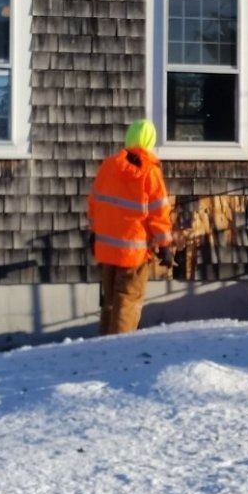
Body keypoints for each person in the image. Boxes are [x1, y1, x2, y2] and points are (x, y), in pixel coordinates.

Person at [86, 119, 174, 335]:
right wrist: (165, 245)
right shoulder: (149, 172)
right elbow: (159, 211)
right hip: (134, 252)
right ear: (150, 141)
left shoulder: (108, 166)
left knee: (110, 301)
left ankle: (103, 344)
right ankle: (120, 349)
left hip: (106, 248)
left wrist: (94, 233)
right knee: (127, 301)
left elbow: (95, 203)